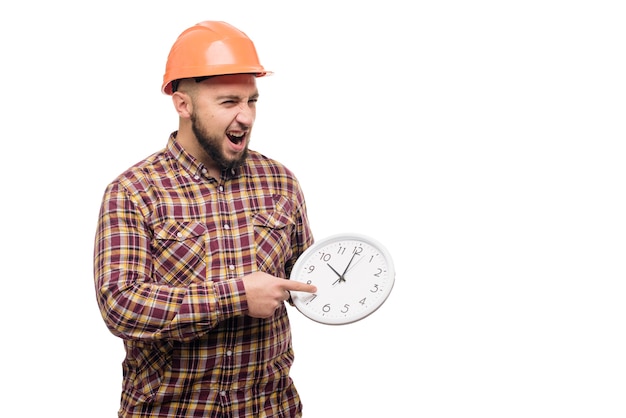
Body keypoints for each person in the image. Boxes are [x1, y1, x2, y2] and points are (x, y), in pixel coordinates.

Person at [93, 20, 317, 418]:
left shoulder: (280, 182)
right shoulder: (133, 192)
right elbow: (121, 305)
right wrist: (236, 297)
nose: (246, 117)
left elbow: (303, 277)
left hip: (270, 408)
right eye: (229, 102)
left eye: (252, 101)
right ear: (183, 104)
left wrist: (343, 283)